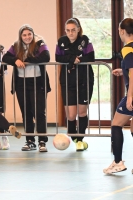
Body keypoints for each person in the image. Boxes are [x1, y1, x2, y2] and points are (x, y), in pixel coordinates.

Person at [2, 24, 51, 152]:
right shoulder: (16, 45)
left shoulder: (40, 43)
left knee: (39, 112)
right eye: (24, 35)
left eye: (29, 34)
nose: (27, 37)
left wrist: (29, 59)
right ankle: (30, 140)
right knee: (26, 113)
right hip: (21, 83)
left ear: (33, 34)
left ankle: (42, 141)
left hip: (38, 82)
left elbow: (46, 56)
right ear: (21, 36)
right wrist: (15, 60)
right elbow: (5, 57)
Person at [55, 18, 95, 151]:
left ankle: (80, 140)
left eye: (73, 30)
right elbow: (58, 57)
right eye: (68, 30)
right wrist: (72, 59)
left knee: (82, 112)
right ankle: (73, 137)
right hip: (68, 81)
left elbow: (91, 57)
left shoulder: (85, 41)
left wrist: (78, 59)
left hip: (84, 80)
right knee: (71, 115)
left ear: (78, 29)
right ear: (65, 31)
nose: (71, 33)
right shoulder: (61, 42)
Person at [103, 18, 133, 174]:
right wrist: (123, 71)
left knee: (116, 124)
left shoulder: (127, 49)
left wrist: (130, 96)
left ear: (122, 31)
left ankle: (117, 162)